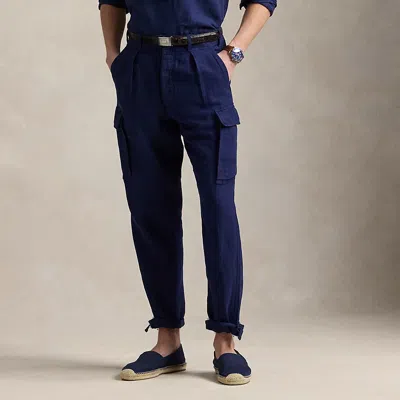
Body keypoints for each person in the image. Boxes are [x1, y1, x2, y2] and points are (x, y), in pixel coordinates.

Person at [98, 0, 277, 385]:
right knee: (150, 208)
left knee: (218, 208)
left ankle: (226, 341)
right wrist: (113, 55)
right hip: (141, 68)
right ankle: (167, 342)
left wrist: (234, 53)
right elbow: (111, 0)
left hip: (203, 63)